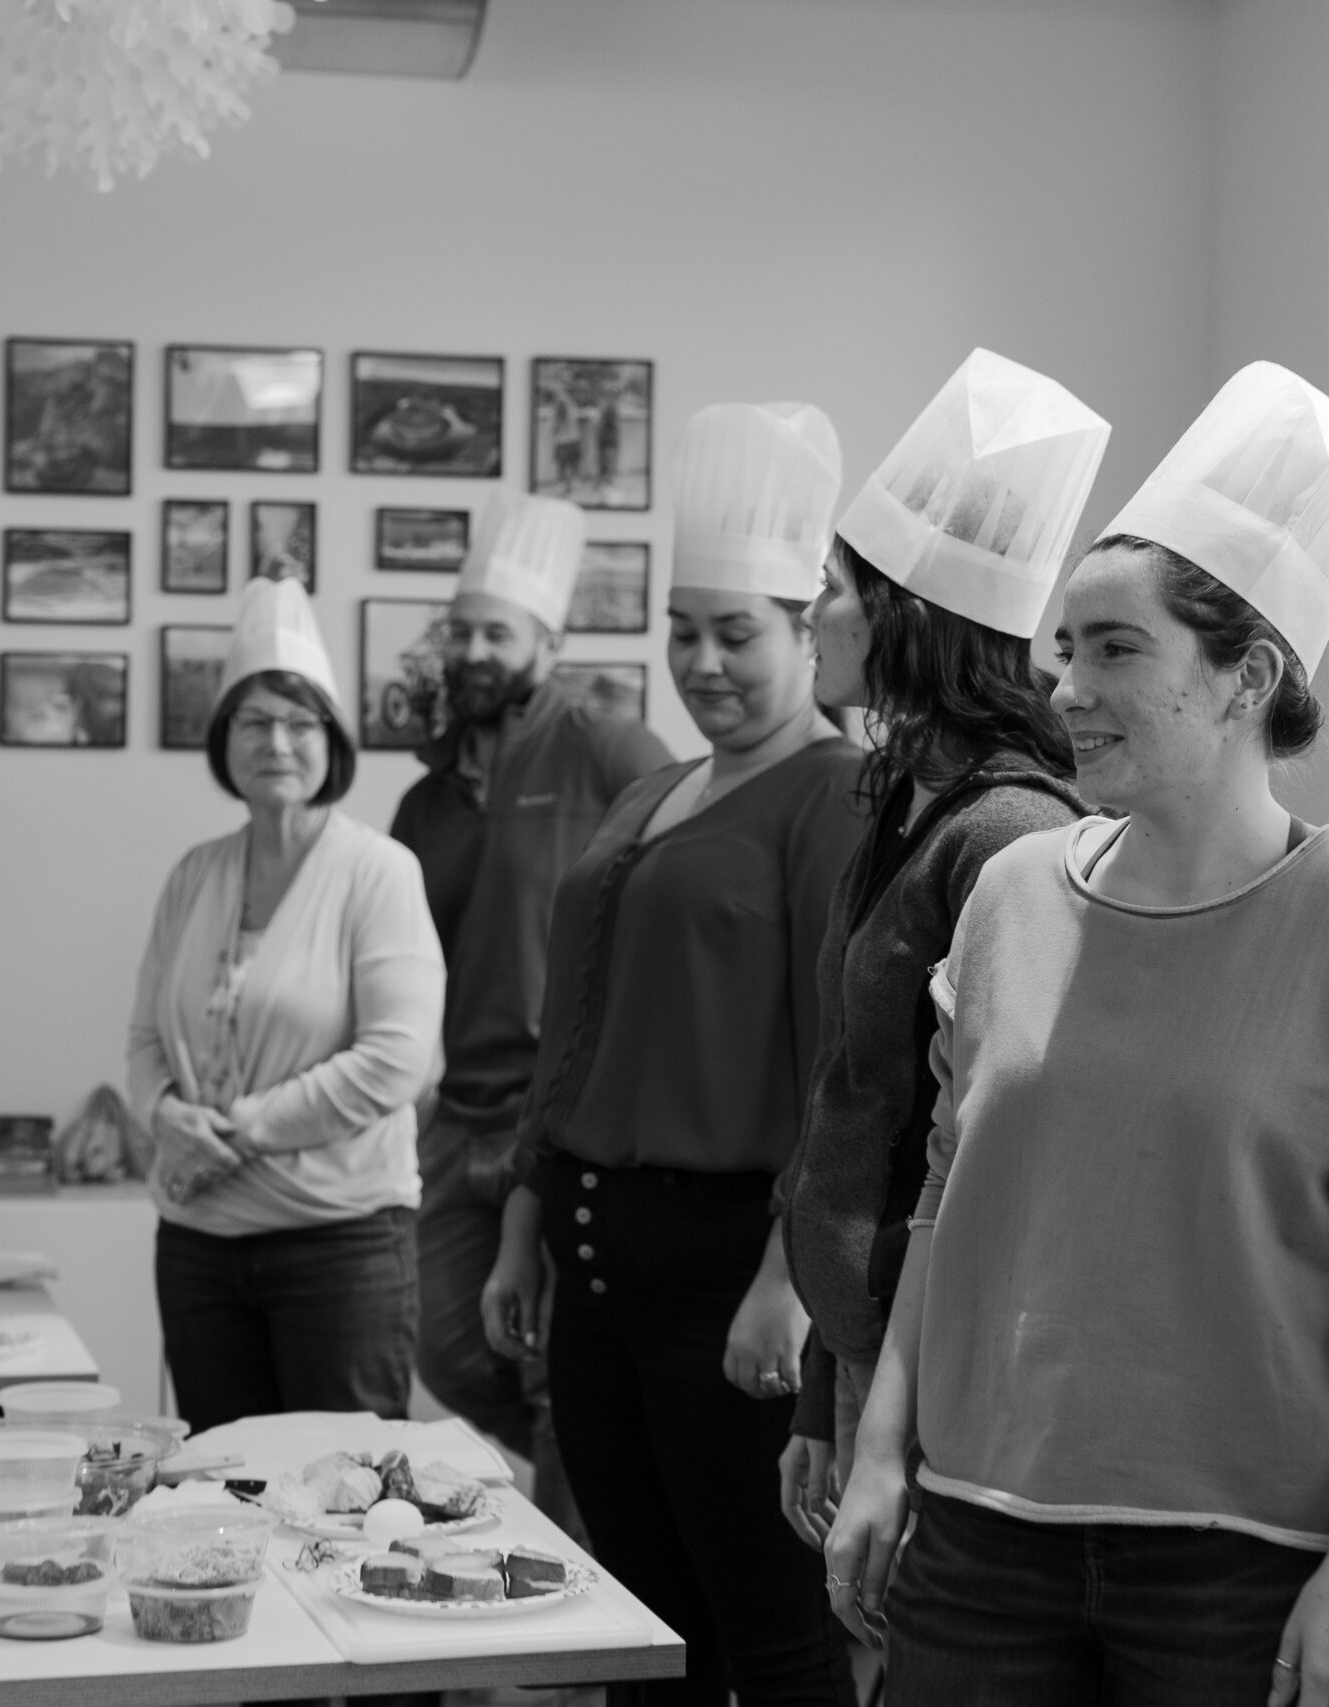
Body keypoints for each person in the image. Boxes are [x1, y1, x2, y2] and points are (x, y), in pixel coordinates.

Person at [824, 363, 1329, 1707]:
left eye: (1115, 648)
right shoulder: (1017, 894)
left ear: (1247, 676)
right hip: (979, 1528)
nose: (1065, 685)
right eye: (1065, 646)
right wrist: (884, 1450)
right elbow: (947, 1197)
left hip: (1246, 1560)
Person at [482, 401, 865, 1704]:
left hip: (725, 1263)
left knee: (767, 1620)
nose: (702, 663)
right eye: (683, 631)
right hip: (595, 1250)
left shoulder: (834, 796)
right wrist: (527, 1213)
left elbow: (841, 1069)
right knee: (643, 1623)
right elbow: (576, 1023)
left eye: (738, 634)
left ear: (811, 633)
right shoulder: (657, 789)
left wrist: (788, 1273)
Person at [774, 348, 1101, 1545]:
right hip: (865, 1351)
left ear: (906, 616)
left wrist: (880, 1430)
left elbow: (975, 1155)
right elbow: (857, 1111)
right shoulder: (906, 798)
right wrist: (825, 1381)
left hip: (943, 1370)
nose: (810, 612)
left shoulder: (1010, 830)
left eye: (832, 588)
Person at [390, 492, 672, 1504]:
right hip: (449, 1120)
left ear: (544, 646)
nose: (473, 649)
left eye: (496, 632)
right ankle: (600, 1461)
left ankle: (573, 1649)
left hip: (555, 1123)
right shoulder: (422, 799)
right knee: (448, 1351)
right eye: (459, 629)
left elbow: (682, 891)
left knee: (557, 1367)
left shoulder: (606, 748)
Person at [128, 578, 445, 1434]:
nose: (278, 741)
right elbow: (146, 1038)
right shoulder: (192, 874)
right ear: (223, 738)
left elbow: (394, 1061)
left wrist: (237, 1130)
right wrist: (162, 1113)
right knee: (219, 1499)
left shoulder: (378, 872)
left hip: (338, 1248)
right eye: (255, 720)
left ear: (331, 741)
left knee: (343, 1506)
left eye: (301, 722)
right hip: (197, 1246)